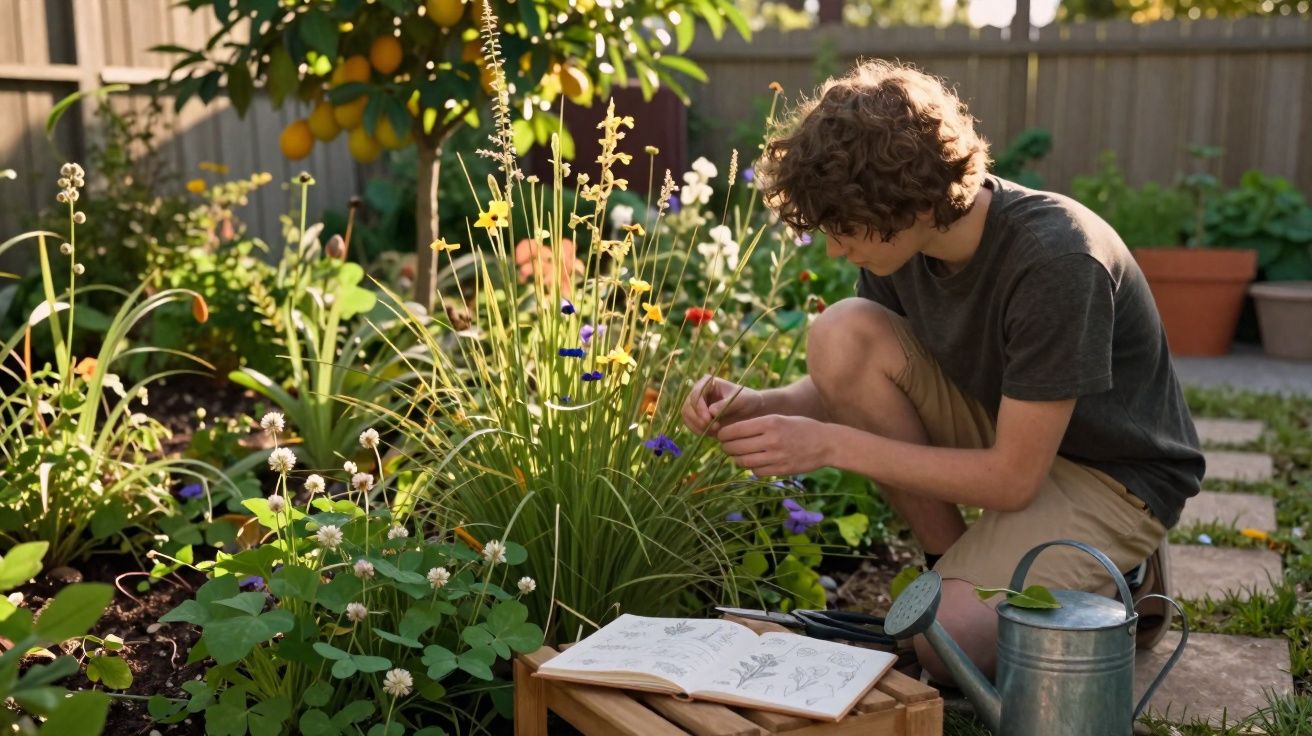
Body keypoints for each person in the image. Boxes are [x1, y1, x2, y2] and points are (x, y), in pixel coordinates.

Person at [680, 60, 1204, 683]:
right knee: (842, 332)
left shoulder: (1058, 259)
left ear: (915, 201)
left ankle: (1127, 574)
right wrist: (762, 403)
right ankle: (949, 566)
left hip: (1114, 474)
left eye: (845, 228)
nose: (835, 248)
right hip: (1012, 429)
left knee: (944, 644)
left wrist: (831, 446)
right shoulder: (899, 244)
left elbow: (1012, 480)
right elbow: (855, 378)